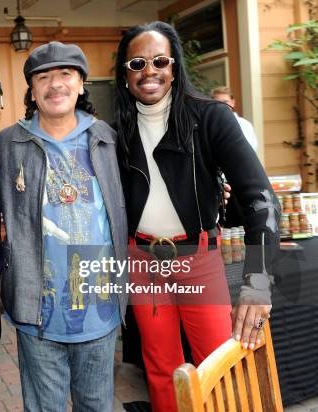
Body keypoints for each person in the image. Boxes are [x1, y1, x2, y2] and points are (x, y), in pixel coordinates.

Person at [111, 21, 280, 411]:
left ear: (174, 67)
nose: (149, 71)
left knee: (219, 362)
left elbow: (261, 198)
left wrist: (257, 282)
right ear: (124, 73)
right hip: (142, 262)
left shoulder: (210, 117)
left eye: (159, 61)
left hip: (198, 259)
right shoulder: (115, 130)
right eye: (137, 63)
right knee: (161, 370)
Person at [0, 41, 128, 411]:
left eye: (65, 74)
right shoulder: (6, 145)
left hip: (99, 307)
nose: (55, 84)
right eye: (44, 77)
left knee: (96, 405)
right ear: (32, 90)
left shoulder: (109, 139)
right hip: (38, 309)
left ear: (81, 83)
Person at [211, 85, 259, 151]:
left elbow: (249, 149)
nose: (222, 106)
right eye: (218, 102)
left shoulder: (244, 125)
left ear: (233, 103)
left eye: (225, 102)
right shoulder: (208, 126)